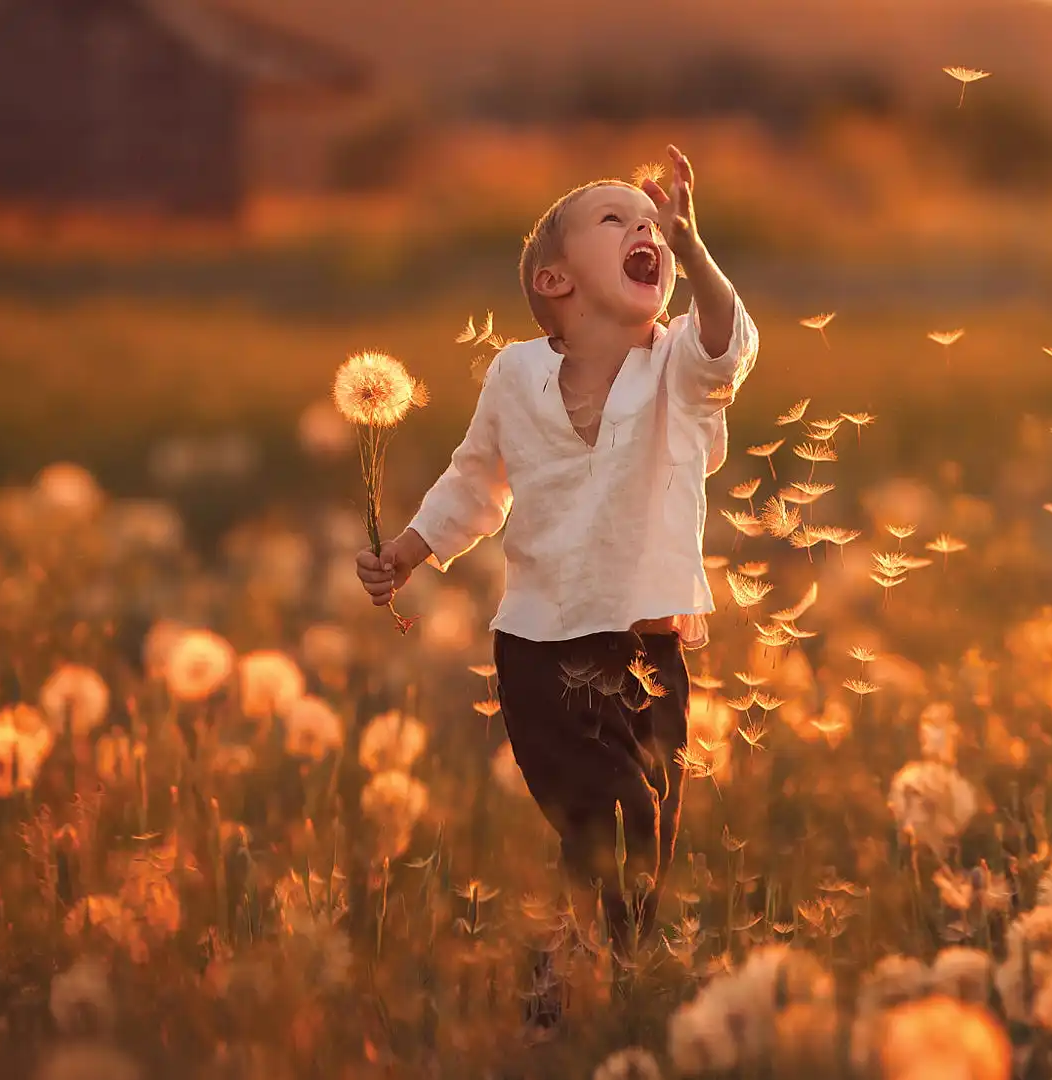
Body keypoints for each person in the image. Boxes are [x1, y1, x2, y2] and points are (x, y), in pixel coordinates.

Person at [354, 145, 758, 1028]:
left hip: (653, 650)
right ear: (555, 279)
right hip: (542, 650)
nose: (644, 229)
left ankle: (574, 990)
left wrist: (694, 250)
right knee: (617, 823)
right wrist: (412, 551)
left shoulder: (679, 369)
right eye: (616, 220)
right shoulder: (514, 376)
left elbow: (728, 341)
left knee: (644, 841)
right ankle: (593, 993)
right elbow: (476, 482)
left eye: (650, 222)